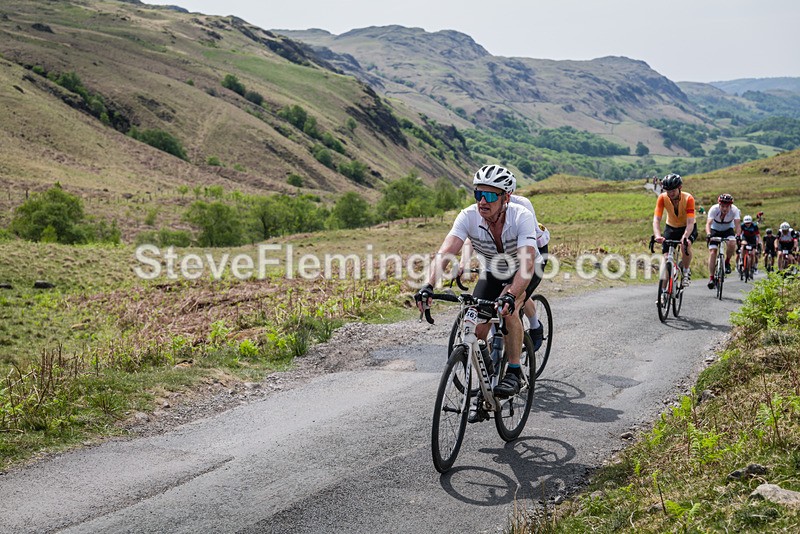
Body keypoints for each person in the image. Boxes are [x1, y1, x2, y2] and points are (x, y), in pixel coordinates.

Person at [416, 164, 541, 423]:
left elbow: (527, 264)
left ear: (506, 198)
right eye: (478, 194)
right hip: (494, 269)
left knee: (510, 309)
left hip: (525, 269)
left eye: (491, 195)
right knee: (476, 327)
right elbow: (446, 251)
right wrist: (428, 285)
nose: (483, 201)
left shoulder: (520, 215)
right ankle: (487, 381)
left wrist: (511, 295)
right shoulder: (468, 216)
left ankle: (515, 370)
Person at [652, 173, 697, 285]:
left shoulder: (688, 198)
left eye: (673, 190)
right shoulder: (662, 198)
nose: (670, 193)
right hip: (671, 227)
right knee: (666, 258)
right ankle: (662, 292)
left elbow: (690, 222)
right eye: (668, 191)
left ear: (679, 188)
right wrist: (657, 235)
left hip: (687, 227)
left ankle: (686, 271)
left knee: (685, 245)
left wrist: (685, 237)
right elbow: (656, 220)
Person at [706, 194, 741, 289]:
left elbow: (737, 225)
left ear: (730, 206)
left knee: (732, 242)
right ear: (719, 204)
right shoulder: (713, 209)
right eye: (722, 206)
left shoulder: (735, 210)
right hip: (715, 230)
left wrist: (738, 235)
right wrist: (709, 234)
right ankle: (711, 278)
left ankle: (727, 262)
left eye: (727, 206)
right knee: (713, 252)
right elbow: (708, 224)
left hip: (728, 229)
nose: (724, 209)